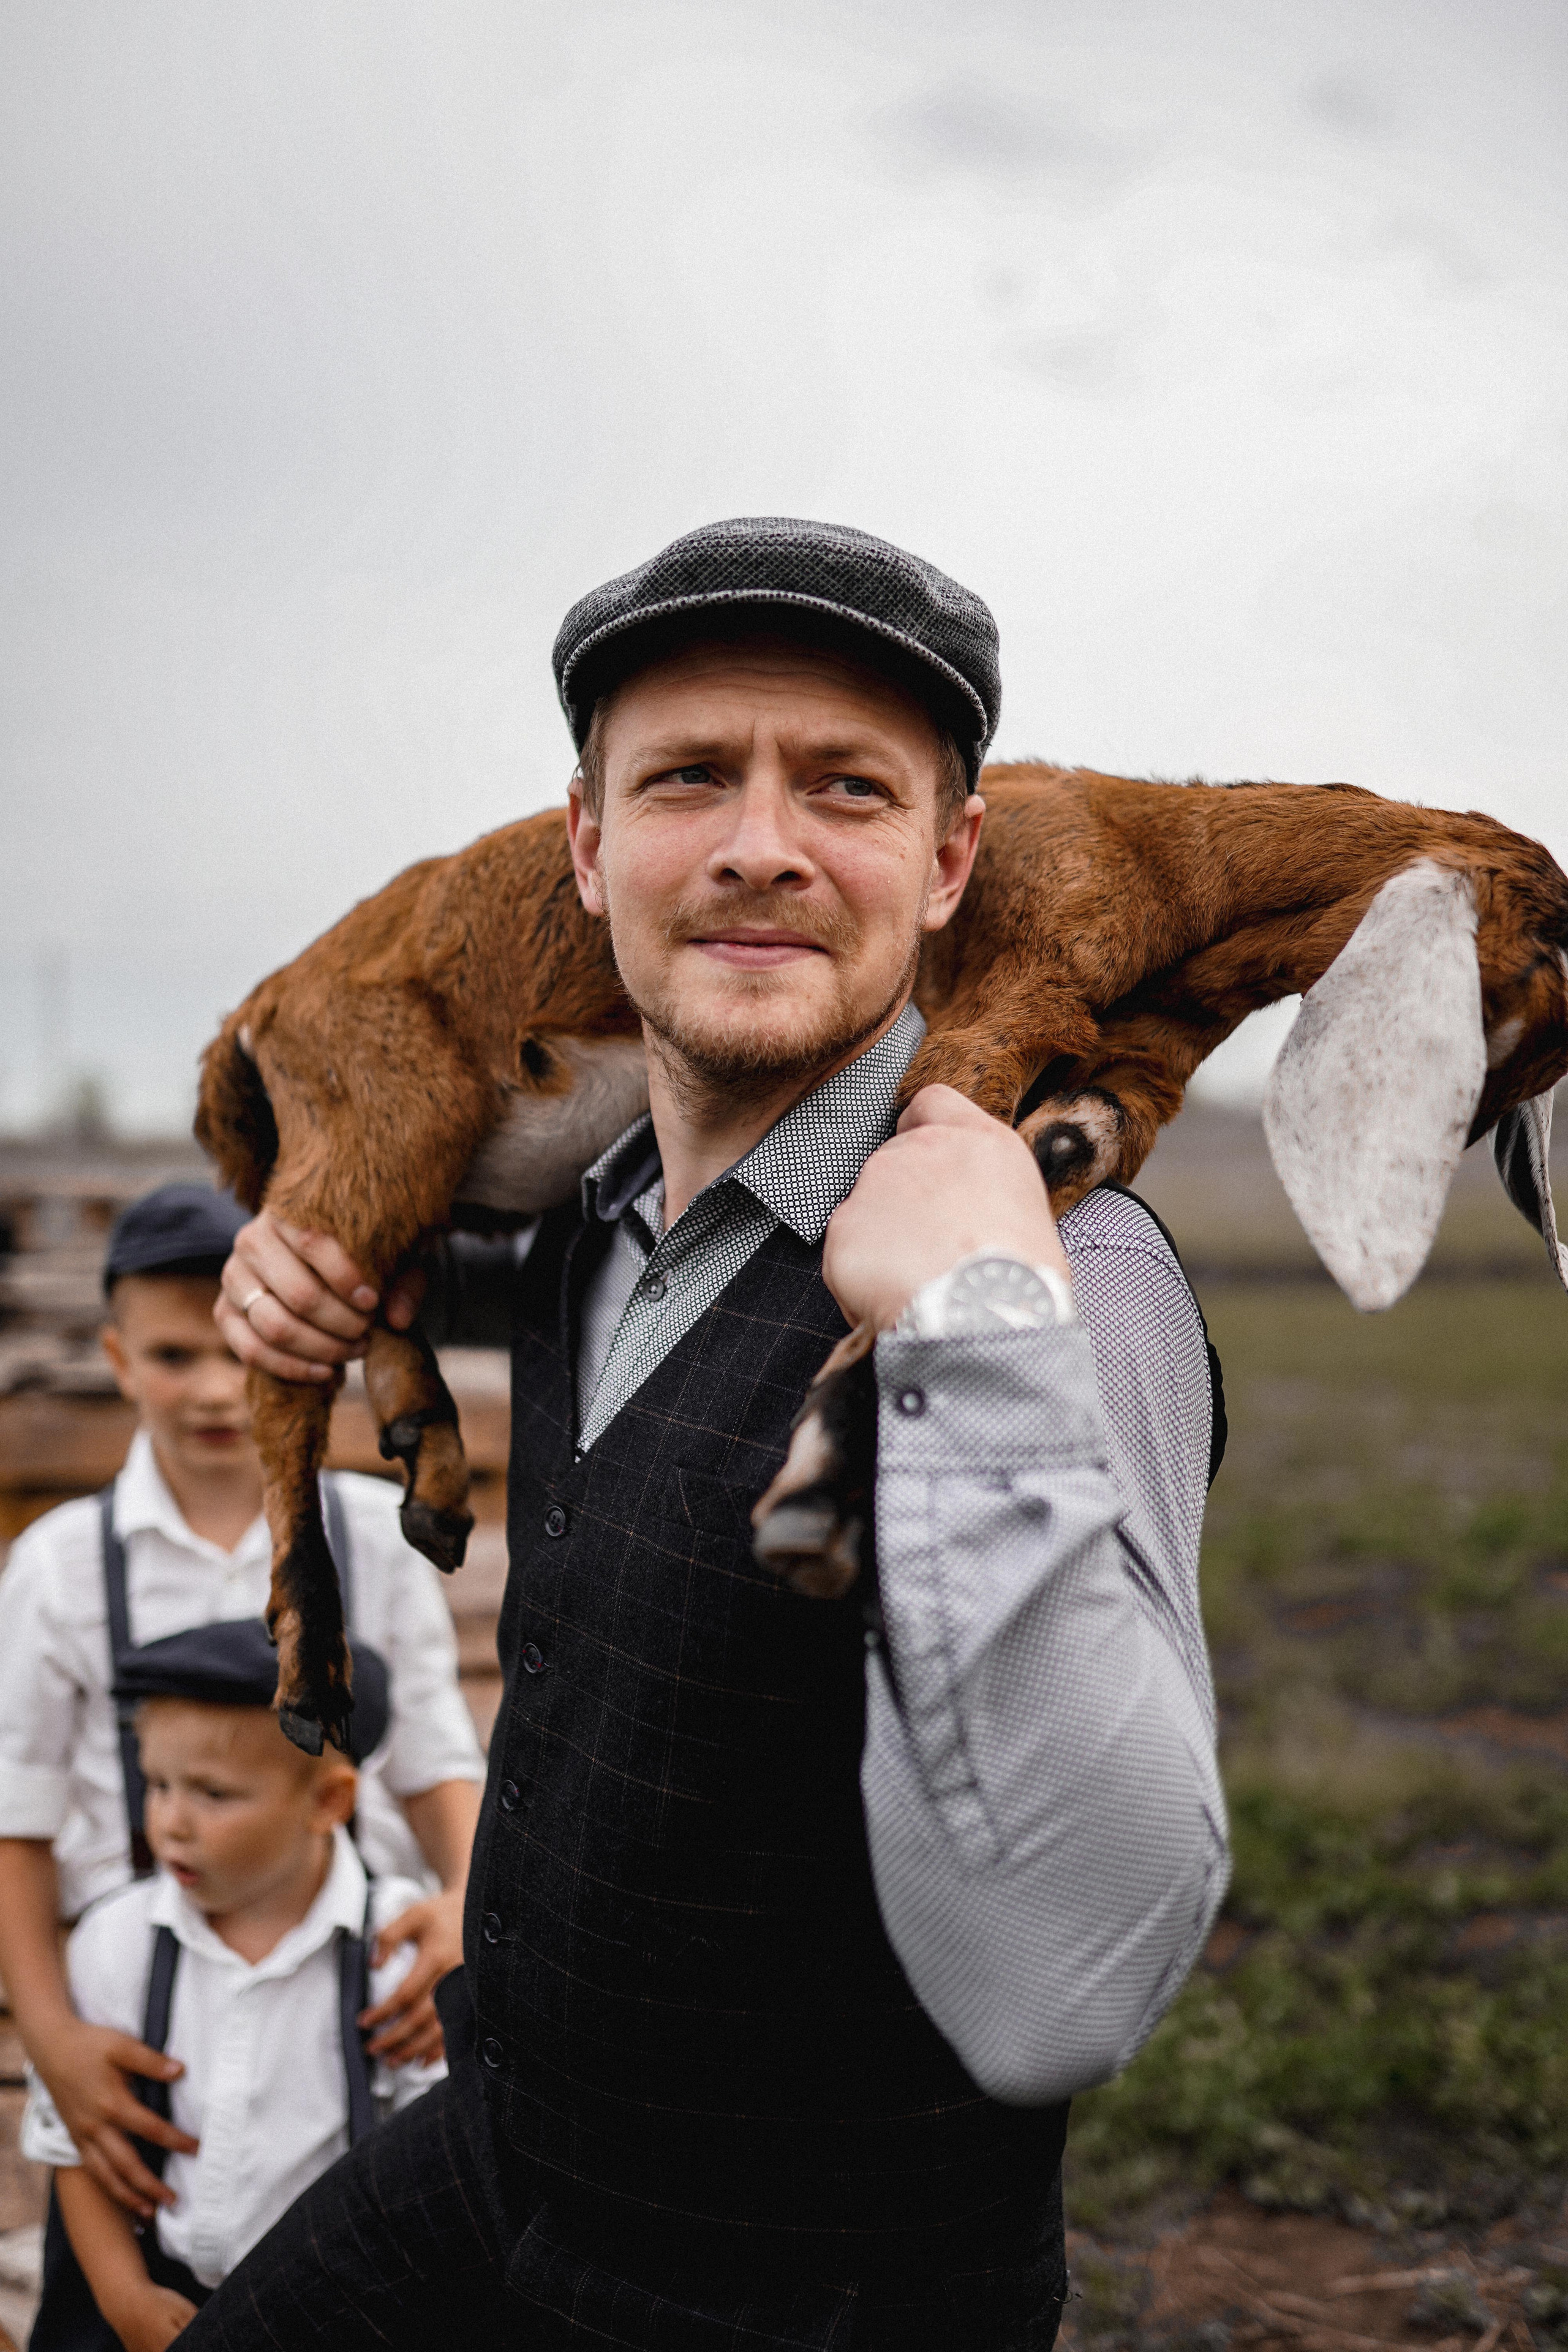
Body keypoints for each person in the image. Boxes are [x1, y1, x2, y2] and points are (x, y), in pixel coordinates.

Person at [197, 517, 1230, 2350]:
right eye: (688, 778)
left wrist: (976, 1329)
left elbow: (1072, 1974)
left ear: (947, 861)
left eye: (846, 784)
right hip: (502, 2152)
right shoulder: (583, 1228)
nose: (761, 841)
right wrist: (298, 1231)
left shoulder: (1076, 1273)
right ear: (587, 848)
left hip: (803, 2288)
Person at [0, 1183, 484, 2233]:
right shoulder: (60, 1568)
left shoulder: (364, 1538)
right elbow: (19, 1824)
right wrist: (54, 2039)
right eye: (176, 1356)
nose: (218, 1390)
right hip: (137, 2009)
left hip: (347, 2007)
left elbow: (437, 1761)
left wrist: (460, 1907)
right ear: (120, 1361)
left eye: (243, 1351)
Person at [21, 1620, 444, 2351]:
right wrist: (128, 2301)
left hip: (341, 2311)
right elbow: (75, 2151)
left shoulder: (394, 1954)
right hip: (161, 2302)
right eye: (156, 1784)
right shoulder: (117, 1942)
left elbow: (432, 2170)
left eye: (213, 1794)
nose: (171, 1824)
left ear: (329, 1804)